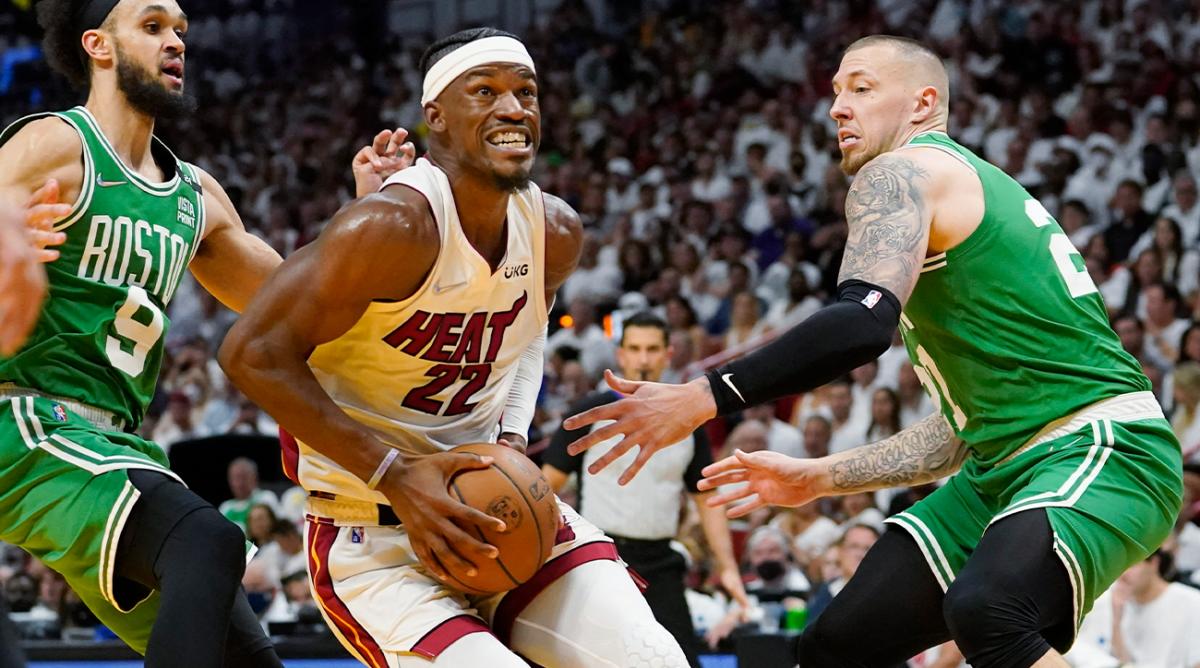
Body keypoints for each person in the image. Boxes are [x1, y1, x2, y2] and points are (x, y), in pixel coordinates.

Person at [564, 35, 1182, 668]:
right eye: (835, 92)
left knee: (989, 609)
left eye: (860, 88)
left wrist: (704, 396)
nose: (837, 108)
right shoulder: (964, 193)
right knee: (835, 647)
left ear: (923, 103)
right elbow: (957, 435)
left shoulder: (904, 171)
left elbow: (860, 325)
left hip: (1104, 447)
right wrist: (816, 478)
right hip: (1005, 466)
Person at [219, 28, 688, 668]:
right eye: (485, 91)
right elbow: (250, 353)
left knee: (652, 658)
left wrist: (514, 442)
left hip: (492, 505)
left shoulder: (555, 230)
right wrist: (397, 475)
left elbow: (526, 340)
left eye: (526, 92)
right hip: (373, 532)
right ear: (435, 116)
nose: (513, 108)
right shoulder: (391, 225)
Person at [0, 0, 408, 664]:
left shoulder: (195, 196)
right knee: (208, 539)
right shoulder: (58, 144)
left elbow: (288, 301)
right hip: (24, 424)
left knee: (243, 657)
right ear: (98, 46)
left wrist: (366, 216)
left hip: (109, 449)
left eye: (181, 31)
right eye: (153, 26)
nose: (176, 43)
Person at [541, 311, 748, 667]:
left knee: (683, 660)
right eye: (634, 348)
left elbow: (705, 498)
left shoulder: (690, 423)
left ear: (668, 355)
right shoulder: (590, 412)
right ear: (620, 354)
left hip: (660, 561)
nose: (643, 358)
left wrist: (727, 566)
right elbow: (545, 489)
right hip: (598, 558)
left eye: (652, 349)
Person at [1109, 549, 1200, 667]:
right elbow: (1122, 662)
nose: (1124, 574)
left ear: (1154, 563)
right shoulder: (1115, 599)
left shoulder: (1192, 602)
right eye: (1119, 566)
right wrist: (1116, 622)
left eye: (1131, 566)